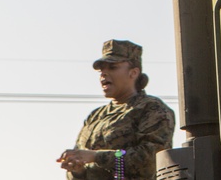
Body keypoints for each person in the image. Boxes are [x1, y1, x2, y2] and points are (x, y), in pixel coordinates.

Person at [57, 39, 175, 180]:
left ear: (133, 73)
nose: (103, 74)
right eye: (101, 70)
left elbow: (151, 159)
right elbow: (80, 165)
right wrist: (77, 170)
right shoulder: (95, 116)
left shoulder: (150, 108)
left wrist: (97, 157)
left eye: (112, 68)